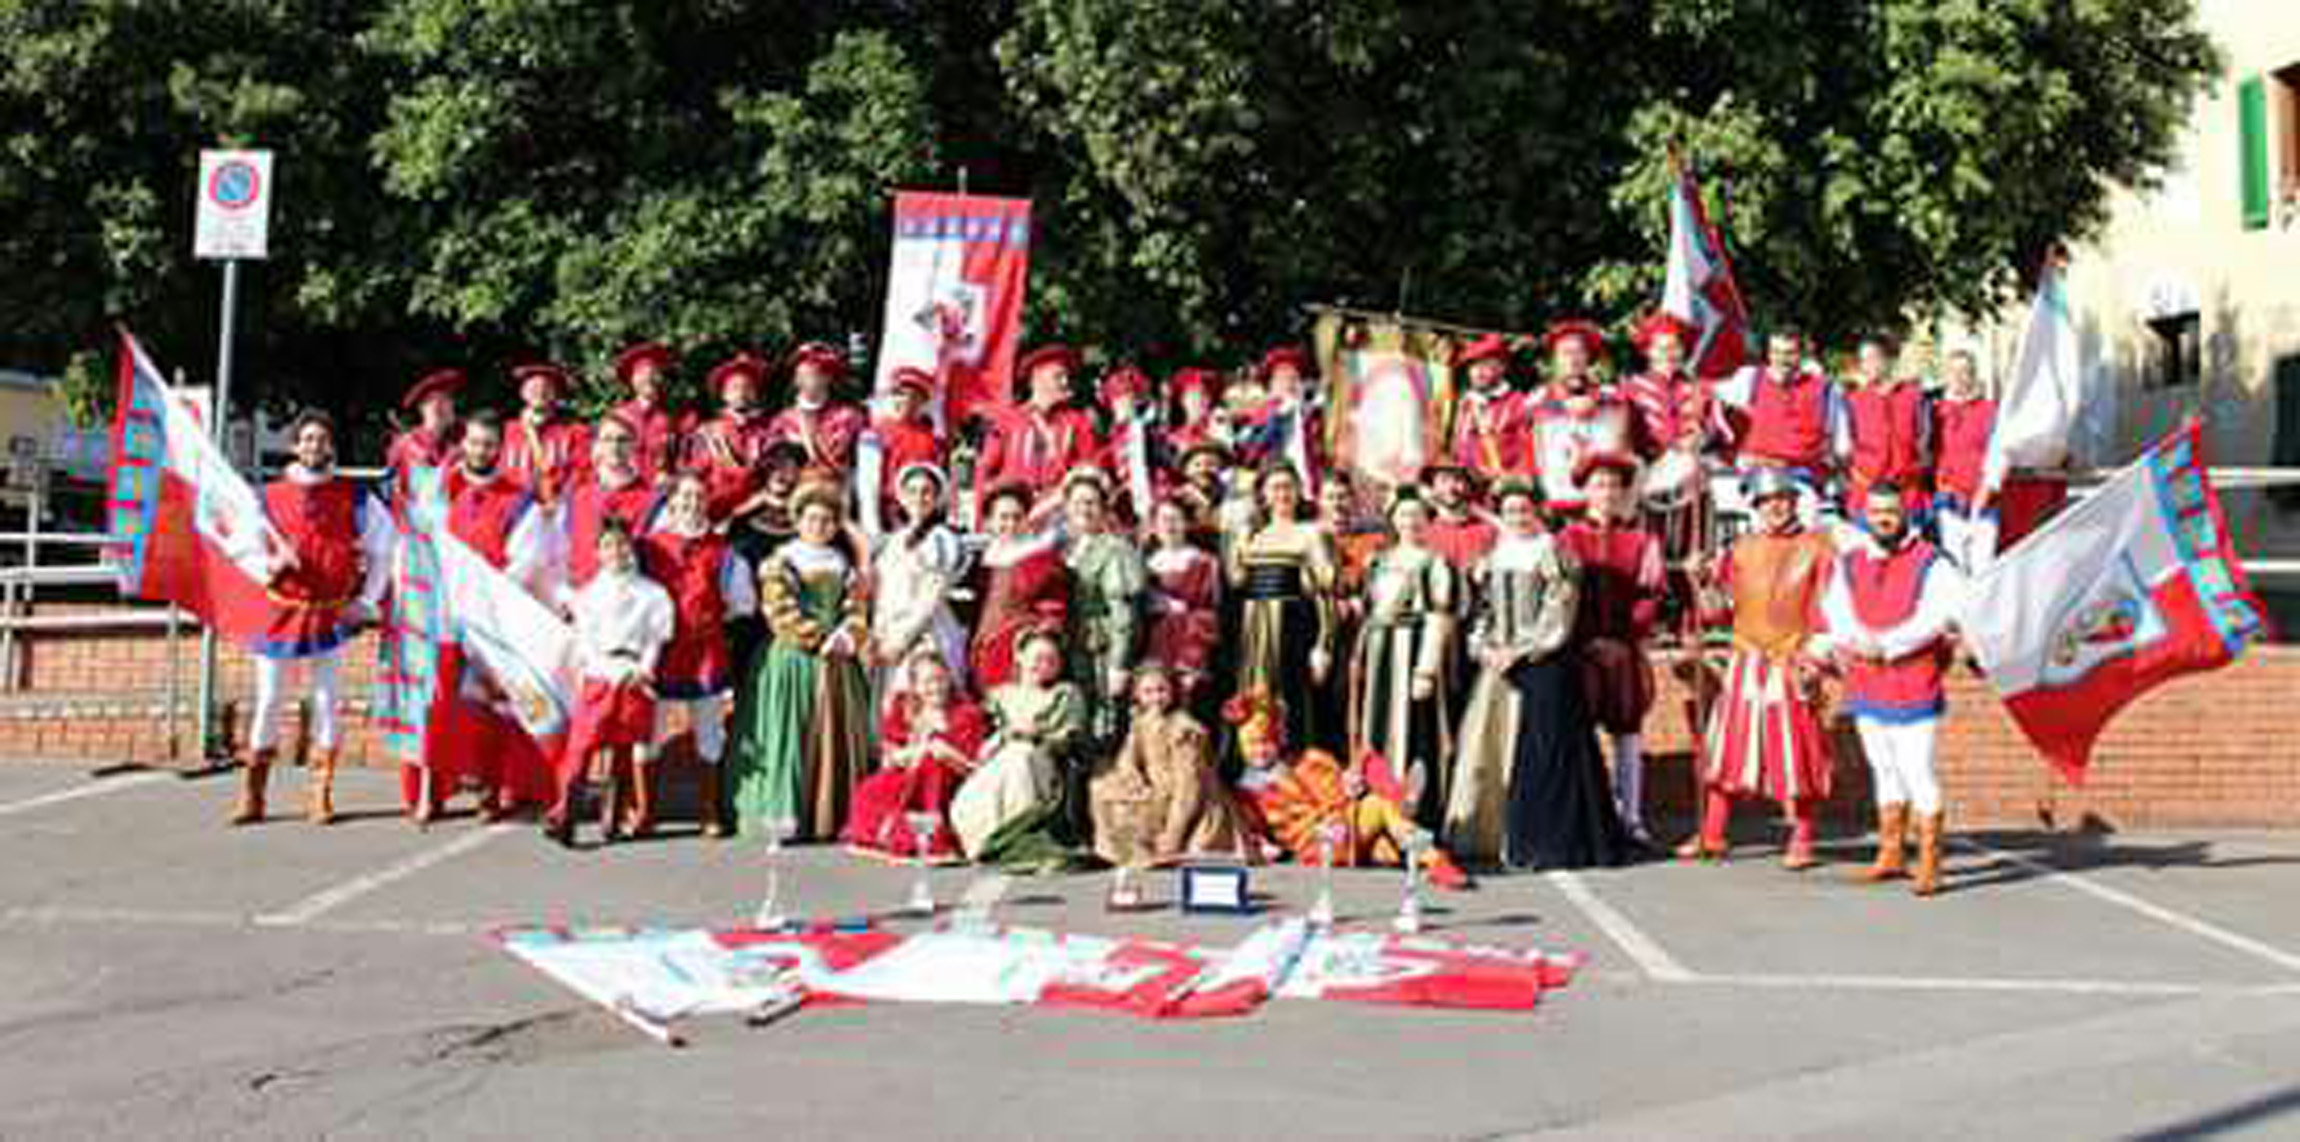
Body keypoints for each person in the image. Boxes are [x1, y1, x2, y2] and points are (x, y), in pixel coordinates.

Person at [1446, 480, 1629, 869]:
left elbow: (1559, 613)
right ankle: (1492, 837)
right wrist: (1485, 648)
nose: (1517, 518)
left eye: (1524, 510)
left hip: (1545, 665)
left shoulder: (1554, 553)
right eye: (1510, 511)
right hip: (1498, 666)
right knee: (1489, 750)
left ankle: (1545, 843)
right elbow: (1482, 611)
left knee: (1545, 757)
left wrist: (1519, 650)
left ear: (1537, 511)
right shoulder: (1495, 556)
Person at [229, 411, 391, 827]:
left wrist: (367, 600)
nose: (314, 446)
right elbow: (240, 546)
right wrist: (272, 565)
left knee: (326, 702)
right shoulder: (267, 497)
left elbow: (386, 546)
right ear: (295, 445)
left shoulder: (355, 497)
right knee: (268, 700)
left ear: (330, 446)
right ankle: (254, 792)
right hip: (279, 610)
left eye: (321, 439)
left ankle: (320, 793)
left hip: (330, 613)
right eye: (307, 439)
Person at [1679, 467, 1837, 869]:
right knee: (1729, 747)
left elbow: (1830, 611)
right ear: (1756, 506)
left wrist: (1815, 658)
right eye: (1767, 501)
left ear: (1794, 501)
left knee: (1797, 751)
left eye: (1782, 499)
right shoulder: (1741, 549)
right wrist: (1699, 580)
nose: (1775, 508)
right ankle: (1712, 833)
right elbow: (1716, 612)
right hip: (1746, 657)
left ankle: (1802, 838)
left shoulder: (1818, 548)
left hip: (1793, 658)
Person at [1820, 480, 1966, 897]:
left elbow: (1938, 615)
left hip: (1912, 677)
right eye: (1877, 511)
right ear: (1866, 514)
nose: (1884, 518)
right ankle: (1890, 852)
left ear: (1906, 513)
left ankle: (1930, 860)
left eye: (1891, 511)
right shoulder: (1851, 561)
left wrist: (1887, 643)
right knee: (1883, 768)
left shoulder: (1933, 561)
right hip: (1868, 676)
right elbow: (1836, 608)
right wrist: (1855, 639)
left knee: (1917, 770)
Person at [418, 410, 557, 823]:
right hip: (445, 612)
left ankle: (491, 788)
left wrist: (485, 588)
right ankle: (434, 790)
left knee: (489, 706)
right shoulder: (440, 489)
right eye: (475, 442)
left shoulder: (519, 500)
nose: (481, 450)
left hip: (493, 615)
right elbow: (423, 542)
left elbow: (527, 560)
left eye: (489, 444)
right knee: (438, 703)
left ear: (501, 448)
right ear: (464, 443)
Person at [728, 478, 872, 840]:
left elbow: (856, 606)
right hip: (793, 658)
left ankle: (833, 814)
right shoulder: (782, 560)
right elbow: (778, 611)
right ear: (799, 521)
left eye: (826, 520)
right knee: (790, 731)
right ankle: (786, 813)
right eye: (812, 519)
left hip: (837, 659)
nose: (819, 527)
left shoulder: (841, 562)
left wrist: (846, 635)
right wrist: (818, 638)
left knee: (837, 735)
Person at [1228, 688, 1469, 888]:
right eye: (1251, 744)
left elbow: (1334, 785)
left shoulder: (1307, 759)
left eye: (1266, 742)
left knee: (1368, 764)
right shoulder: (1247, 792)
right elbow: (1250, 831)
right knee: (1382, 806)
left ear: (1278, 739)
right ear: (1241, 747)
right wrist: (1262, 846)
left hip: (1345, 821)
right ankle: (1408, 812)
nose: (1259, 750)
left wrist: (1350, 784)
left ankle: (1419, 835)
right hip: (1319, 842)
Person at [545, 519, 675, 847]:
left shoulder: (652, 593)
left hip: (634, 675)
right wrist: (604, 669)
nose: (616, 552)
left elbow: (654, 639)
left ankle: (612, 818)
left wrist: (645, 669)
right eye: (608, 546)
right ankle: (565, 814)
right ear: (598, 553)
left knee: (623, 747)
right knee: (582, 747)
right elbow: (585, 639)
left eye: (622, 545)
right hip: (601, 674)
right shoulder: (589, 594)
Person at [1557, 453, 1666, 843]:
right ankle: (1586, 815)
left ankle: (1632, 817)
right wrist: (1578, 638)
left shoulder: (1640, 540)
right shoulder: (1568, 538)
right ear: (1586, 490)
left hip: (1622, 647)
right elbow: (1559, 592)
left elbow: (1651, 592)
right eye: (1598, 484)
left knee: (1628, 733)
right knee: (1579, 731)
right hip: (1579, 649)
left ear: (1623, 493)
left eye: (1614, 485)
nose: (1606, 492)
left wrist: (1626, 632)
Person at [643, 471, 756, 839]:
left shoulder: (723, 552)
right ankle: (646, 809)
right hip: (660, 650)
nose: (691, 504)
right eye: (684, 497)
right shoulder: (650, 546)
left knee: (709, 732)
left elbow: (743, 603)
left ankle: (709, 808)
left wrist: (711, 618)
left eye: (698, 497)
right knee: (652, 732)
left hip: (704, 650)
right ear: (672, 502)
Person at [1348, 487, 1461, 828]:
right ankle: (1375, 813)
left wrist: (1426, 669)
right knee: (1375, 728)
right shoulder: (1378, 561)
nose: (1409, 521)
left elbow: (1440, 617)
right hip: (1379, 652)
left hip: (1412, 652)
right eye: (1402, 515)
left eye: (1416, 515)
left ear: (1427, 520)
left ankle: (1417, 817)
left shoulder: (1435, 563)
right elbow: (1367, 610)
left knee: (1415, 730)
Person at [1089, 664, 1254, 868]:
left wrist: (1174, 833)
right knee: (1102, 788)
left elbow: (1189, 785)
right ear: (1137, 695)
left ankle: (1169, 843)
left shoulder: (1182, 728)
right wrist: (1132, 777)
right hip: (1157, 788)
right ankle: (1127, 850)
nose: (1156, 697)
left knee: (1174, 820)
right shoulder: (1140, 723)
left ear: (1173, 691)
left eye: (1161, 690)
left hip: (1185, 795)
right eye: (1148, 692)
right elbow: (1128, 757)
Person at [1224, 463, 1339, 755]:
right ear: (1263, 495)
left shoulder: (1310, 532)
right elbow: (1236, 579)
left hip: (1293, 628)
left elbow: (1325, 591)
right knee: (1253, 698)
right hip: (1253, 628)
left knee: (1292, 701)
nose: (1282, 494)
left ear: (1299, 491)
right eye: (1275, 487)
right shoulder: (1254, 534)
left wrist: (1322, 646)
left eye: (1288, 486)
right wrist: (1237, 540)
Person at [951, 627, 1088, 866]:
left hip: (1039, 763)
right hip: (999, 759)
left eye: (1050, 660)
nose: (1043, 665)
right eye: (1037, 658)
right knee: (971, 796)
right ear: (1020, 657)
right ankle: (985, 839)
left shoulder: (1063, 694)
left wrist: (1038, 735)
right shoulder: (1000, 695)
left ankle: (1015, 834)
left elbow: (1069, 737)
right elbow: (978, 729)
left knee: (1020, 756)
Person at [842, 648, 986, 863]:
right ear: (915, 686)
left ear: (949, 679)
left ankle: (928, 840)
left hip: (946, 779)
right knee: (870, 790)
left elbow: (972, 765)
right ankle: (882, 836)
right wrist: (914, 752)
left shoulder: (966, 713)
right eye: (927, 682)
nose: (935, 687)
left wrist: (946, 753)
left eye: (940, 679)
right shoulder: (905, 708)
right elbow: (892, 754)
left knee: (931, 768)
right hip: (907, 772)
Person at [1714, 330, 1849, 523]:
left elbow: (1842, 446)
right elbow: (1712, 403)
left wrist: (1832, 472)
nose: (1782, 360)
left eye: (1789, 353)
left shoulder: (1825, 389)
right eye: (1776, 352)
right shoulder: (1750, 379)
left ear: (1802, 355)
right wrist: (1734, 451)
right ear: (1768, 354)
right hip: (1757, 474)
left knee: (1805, 532)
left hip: (1802, 480)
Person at [867, 462, 972, 701]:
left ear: (937, 498)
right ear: (901, 497)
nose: (919, 498)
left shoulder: (940, 539)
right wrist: (880, 634)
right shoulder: (894, 540)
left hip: (925, 634)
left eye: (926, 492)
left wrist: (902, 640)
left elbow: (930, 598)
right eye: (912, 491)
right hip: (890, 633)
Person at [1059, 468, 1145, 749]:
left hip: (1101, 648)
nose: (1085, 509)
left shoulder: (1114, 549)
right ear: (1067, 508)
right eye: (1078, 502)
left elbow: (1124, 614)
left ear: (1104, 508)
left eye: (1092, 502)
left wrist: (1119, 664)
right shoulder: (1063, 548)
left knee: (1102, 721)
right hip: (1069, 646)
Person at [972, 343, 1102, 526]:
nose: (1065, 382)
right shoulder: (1007, 419)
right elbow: (984, 471)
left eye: (1066, 376)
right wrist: (980, 520)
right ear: (1036, 378)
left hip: (1058, 516)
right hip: (1013, 516)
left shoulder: (1078, 422)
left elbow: (1090, 469)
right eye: (1058, 376)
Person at [1524, 318, 1635, 517]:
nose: (1573, 359)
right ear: (1555, 359)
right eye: (1565, 353)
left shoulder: (1611, 397)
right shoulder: (1537, 400)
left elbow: (1623, 439)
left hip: (1601, 502)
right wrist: (1561, 404)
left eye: (1579, 352)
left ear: (1588, 357)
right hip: (1556, 498)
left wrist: (1595, 399)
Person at [968, 482, 1070, 692]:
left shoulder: (1039, 560)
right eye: (1003, 517)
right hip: (983, 647)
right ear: (989, 522)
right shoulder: (982, 559)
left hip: (1020, 652)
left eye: (1017, 517)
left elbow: (1054, 612)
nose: (1011, 524)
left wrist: (1038, 646)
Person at [556, 415, 661, 600]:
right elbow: (560, 548)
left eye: (622, 440)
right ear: (597, 446)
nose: (615, 447)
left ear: (633, 446)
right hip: (582, 602)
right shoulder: (577, 495)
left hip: (631, 605)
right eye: (607, 439)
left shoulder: (653, 499)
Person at [1843, 334, 1932, 524]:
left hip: (1908, 497)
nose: (1868, 365)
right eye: (1864, 360)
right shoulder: (1853, 401)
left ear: (1888, 360)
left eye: (1874, 358)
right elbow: (1844, 449)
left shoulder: (1914, 397)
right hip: (1866, 497)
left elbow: (1925, 445)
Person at [1142, 497, 1222, 706]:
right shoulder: (1145, 564)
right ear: (1154, 526)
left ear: (1186, 523)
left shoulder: (1202, 562)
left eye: (1175, 519)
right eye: (1163, 520)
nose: (1169, 525)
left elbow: (1206, 615)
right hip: (1155, 646)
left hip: (1188, 645)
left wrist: (1192, 661)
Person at [1930, 348, 1999, 574]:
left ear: (1974, 375)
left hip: (1984, 501)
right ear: (1946, 375)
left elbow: (1999, 454)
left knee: (1983, 569)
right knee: (1954, 568)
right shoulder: (1935, 412)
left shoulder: (1990, 411)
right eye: (1954, 372)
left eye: (1966, 372)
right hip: (1950, 500)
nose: (1960, 378)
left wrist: (1986, 490)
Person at [689, 352, 778, 523]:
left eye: (748, 387)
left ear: (755, 393)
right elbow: (696, 476)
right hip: (718, 512)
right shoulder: (708, 432)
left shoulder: (768, 432)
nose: (742, 393)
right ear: (724, 395)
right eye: (734, 388)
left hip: (759, 513)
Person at [768, 340, 869, 475]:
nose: (803, 381)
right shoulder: (782, 421)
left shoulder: (850, 418)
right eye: (800, 375)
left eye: (811, 374)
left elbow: (863, 462)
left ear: (827, 378)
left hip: (835, 488)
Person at [501, 362, 591, 504]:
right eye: (533, 387)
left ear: (555, 394)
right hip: (512, 509)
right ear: (522, 393)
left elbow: (582, 472)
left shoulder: (574, 432)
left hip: (556, 507)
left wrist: (563, 499)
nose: (540, 392)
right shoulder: (506, 431)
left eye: (546, 387)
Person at [1236, 346, 1324, 490]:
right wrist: (1275, 419)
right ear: (1271, 385)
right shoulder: (1259, 416)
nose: (1289, 384)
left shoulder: (1311, 413)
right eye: (1282, 379)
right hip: (1276, 485)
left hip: (1311, 484)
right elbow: (1249, 456)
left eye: (1295, 378)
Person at [1446, 333, 1528, 485]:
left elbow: (1528, 451)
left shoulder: (1518, 402)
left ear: (1502, 368)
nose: (1478, 372)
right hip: (1465, 486)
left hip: (1503, 486)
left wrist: (1512, 481)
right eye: (1474, 366)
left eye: (1486, 365)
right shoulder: (1463, 404)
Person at [610, 341, 688, 486]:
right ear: (632, 381)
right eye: (641, 374)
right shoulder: (617, 418)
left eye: (654, 373)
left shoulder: (672, 419)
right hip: (624, 492)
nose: (649, 379)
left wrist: (672, 477)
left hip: (659, 496)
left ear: (661, 378)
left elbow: (680, 461)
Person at [386, 368, 463, 484]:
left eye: (448, 400)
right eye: (433, 401)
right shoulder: (404, 445)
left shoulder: (465, 440)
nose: (440, 406)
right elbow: (391, 486)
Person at [1422, 461, 1498, 570]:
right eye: (1444, 480)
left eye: (1458, 479)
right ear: (1433, 487)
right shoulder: (1425, 533)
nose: (1451, 488)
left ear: (1469, 485)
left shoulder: (1488, 531)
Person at [1162, 367, 1229, 460]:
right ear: (1182, 401)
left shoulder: (1219, 432)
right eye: (1193, 397)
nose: (1199, 402)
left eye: (1204, 396)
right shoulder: (1170, 439)